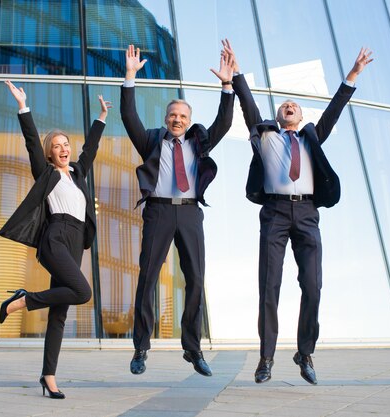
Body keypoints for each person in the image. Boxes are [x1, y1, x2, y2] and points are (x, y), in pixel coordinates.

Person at [222, 39, 373, 385]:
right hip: (274, 213)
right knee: (269, 286)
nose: (289, 106)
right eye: (284, 105)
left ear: (302, 117)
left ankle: (305, 353)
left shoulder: (311, 138)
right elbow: (247, 104)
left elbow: (334, 110)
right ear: (277, 117)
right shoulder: (265, 135)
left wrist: (352, 74)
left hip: (307, 214)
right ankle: (266, 358)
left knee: (313, 285)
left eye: (294, 105)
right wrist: (238, 72)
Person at [121, 44, 235, 377]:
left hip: (189, 213)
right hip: (157, 212)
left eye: (183, 116)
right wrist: (130, 77)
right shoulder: (151, 141)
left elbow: (225, 122)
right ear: (166, 117)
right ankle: (141, 348)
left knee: (196, 278)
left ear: (189, 120)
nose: (177, 120)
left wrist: (227, 87)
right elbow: (129, 116)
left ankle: (193, 348)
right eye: (173, 115)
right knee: (148, 277)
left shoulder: (199, 142)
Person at [0, 80, 111, 399]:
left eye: (66, 144)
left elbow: (91, 149)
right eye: (57, 145)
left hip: (76, 240)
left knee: (61, 311)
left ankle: (48, 376)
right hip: (55, 238)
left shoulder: (77, 174)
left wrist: (101, 118)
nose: (63, 148)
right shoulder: (46, 173)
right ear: (50, 153)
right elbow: (31, 141)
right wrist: (23, 107)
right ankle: (24, 300)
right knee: (83, 291)